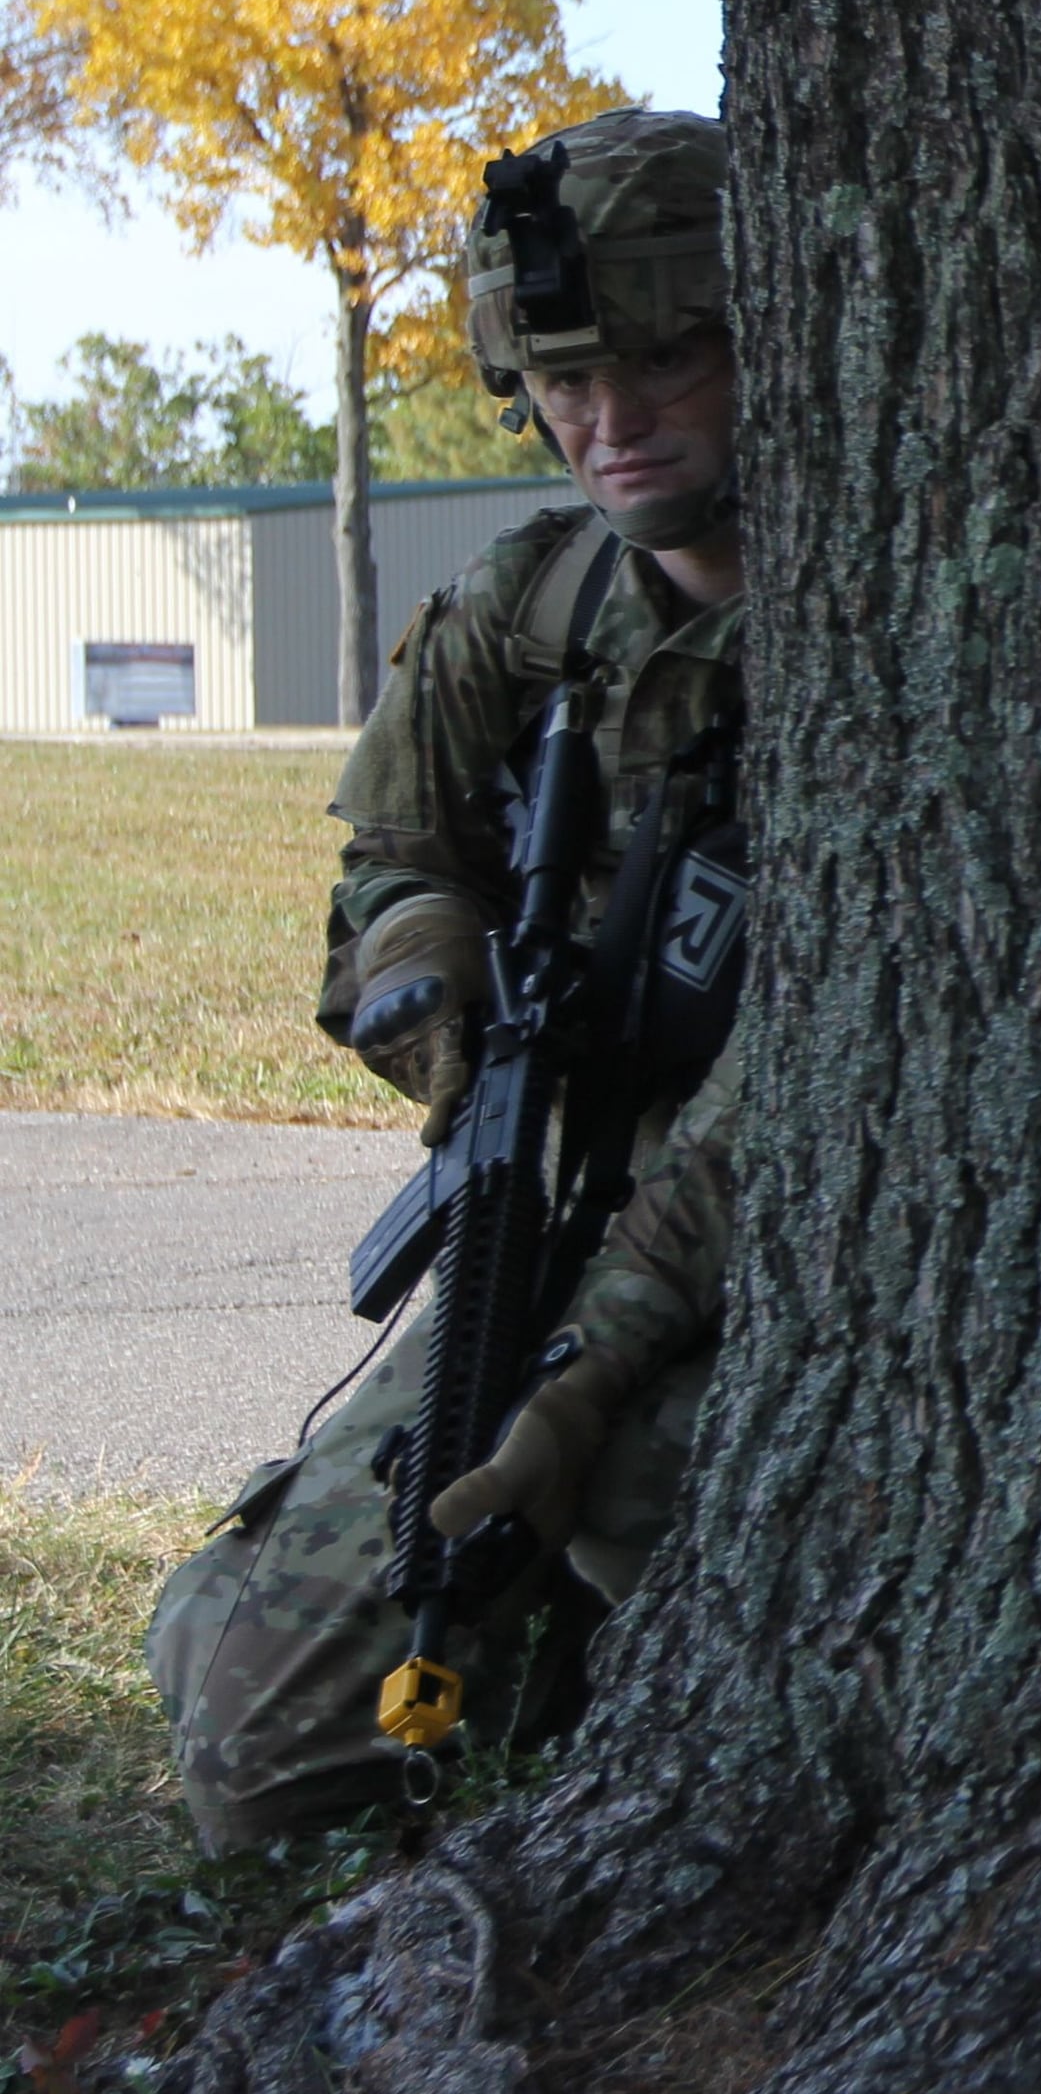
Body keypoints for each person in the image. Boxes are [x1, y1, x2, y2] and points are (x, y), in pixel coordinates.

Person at [148, 108, 756, 1845]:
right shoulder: (539, 603)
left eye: (666, 359)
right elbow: (394, 853)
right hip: (553, 1206)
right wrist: (431, 980)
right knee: (251, 1737)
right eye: (563, 375)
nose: (607, 420)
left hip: (756, 1249)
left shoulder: (900, 627)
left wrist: (583, 1378)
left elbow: (810, 1086)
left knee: (617, 1496)